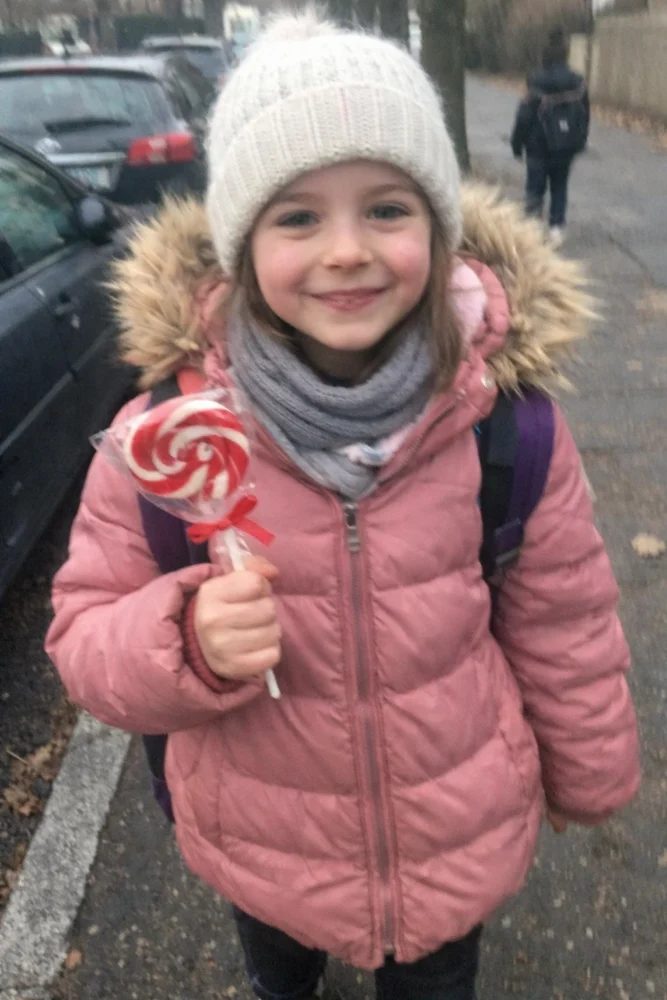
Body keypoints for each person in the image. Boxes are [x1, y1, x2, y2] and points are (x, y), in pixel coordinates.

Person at [46, 10, 639, 1000]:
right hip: (264, 844)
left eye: (388, 209)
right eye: (297, 217)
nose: (347, 251)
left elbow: (564, 618)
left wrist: (589, 772)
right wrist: (186, 636)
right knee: (283, 981)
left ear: (439, 225)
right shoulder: (173, 435)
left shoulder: (507, 426)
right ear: (240, 246)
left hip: (451, 836)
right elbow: (83, 636)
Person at [511, 28, 590, 244]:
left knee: (535, 186)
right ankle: (556, 227)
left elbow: (525, 115)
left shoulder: (535, 79)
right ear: (565, 56)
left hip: (538, 145)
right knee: (560, 185)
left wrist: (516, 144)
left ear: (543, 56)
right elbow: (584, 115)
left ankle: (533, 228)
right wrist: (580, 142)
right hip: (565, 146)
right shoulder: (577, 82)